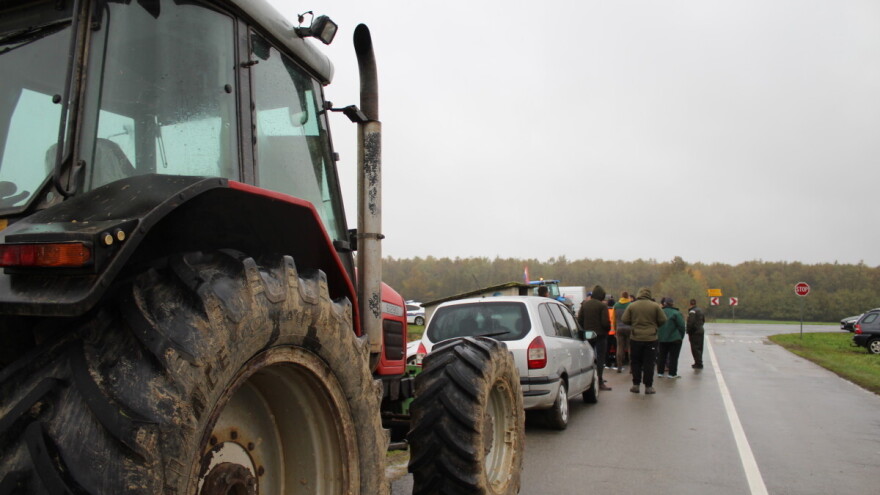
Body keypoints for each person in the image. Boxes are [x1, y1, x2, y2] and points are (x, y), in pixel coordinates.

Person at [621, 287, 667, 394]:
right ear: (649, 295)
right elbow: (663, 320)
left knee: (636, 361)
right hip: (651, 338)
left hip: (635, 337)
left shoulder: (632, 305)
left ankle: (635, 385)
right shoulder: (655, 306)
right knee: (649, 363)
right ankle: (648, 386)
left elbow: (624, 319)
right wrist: (655, 326)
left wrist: (633, 324)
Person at [578, 285, 612, 391]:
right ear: (601, 296)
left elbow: (580, 321)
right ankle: (600, 380)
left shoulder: (585, 305)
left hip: (588, 335)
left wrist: (583, 332)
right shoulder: (602, 306)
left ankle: (590, 380)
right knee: (600, 358)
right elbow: (605, 322)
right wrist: (607, 330)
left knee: (589, 358)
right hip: (601, 335)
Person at [656, 298, 686, 378]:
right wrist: (681, 336)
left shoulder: (659, 312)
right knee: (674, 357)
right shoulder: (676, 313)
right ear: (672, 304)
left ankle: (660, 372)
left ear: (664, 304)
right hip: (675, 338)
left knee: (662, 355)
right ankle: (672, 373)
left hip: (662, 338)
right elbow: (682, 326)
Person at [612, 291, 633, 373]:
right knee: (630, 348)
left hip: (619, 328)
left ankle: (619, 367)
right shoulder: (631, 305)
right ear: (628, 297)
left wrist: (615, 328)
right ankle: (631, 368)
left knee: (619, 347)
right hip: (629, 328)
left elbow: (614, 319)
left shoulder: (616, 305)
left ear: (621, 296)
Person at [687, 298, 706, 369]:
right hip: (701, 330)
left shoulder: (692, 311)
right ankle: (699, 362)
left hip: (694, 332)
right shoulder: (700, 310)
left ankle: (698, 363)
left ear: (690, 304)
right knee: (700, 347)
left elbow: (690, 323)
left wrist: (688, 330)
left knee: (695, 348)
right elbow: (703, 320)